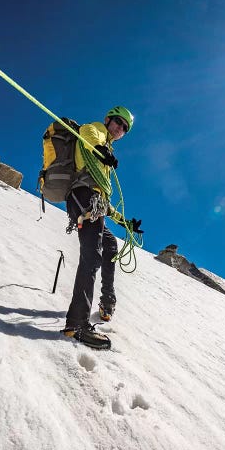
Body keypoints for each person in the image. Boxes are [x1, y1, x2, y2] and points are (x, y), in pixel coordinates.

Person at [61, 106, 143, 349]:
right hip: (83, 196)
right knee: (92, 255)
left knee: (109, 244)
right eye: (118, 123)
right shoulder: (97, 131)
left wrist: (125, 223)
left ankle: (107, 302)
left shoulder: (106, 151)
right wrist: (99, 149)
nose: (120, 129)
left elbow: (104, 199)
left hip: (94, 202)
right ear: (108, 120)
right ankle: (76, 324)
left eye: (124, 128)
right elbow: (86, 135)